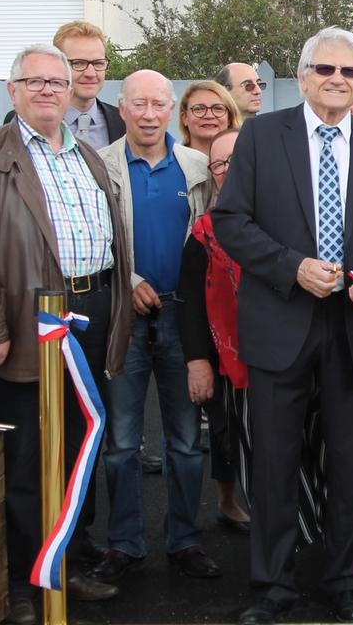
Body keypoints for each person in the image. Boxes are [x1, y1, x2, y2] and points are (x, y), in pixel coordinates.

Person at [213, 27, 353, 625]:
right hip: (280, 317)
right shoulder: (261, 136)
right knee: (274, 463)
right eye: (325, 69)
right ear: (302, 77)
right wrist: (291, 267)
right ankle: (272, 586)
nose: (337, 80)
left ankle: (345, 583)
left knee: (348, 463)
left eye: (350, 71)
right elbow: (231, 221)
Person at [0, 43, 133, 624]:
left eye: (58, 81)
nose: (49, 90)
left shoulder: (88, 156)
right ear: (13, 90)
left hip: (90, 314)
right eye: (36, 81)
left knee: (78, 446)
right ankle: (25, 583)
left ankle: (68, 561)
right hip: (26, 324)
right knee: (26, 455)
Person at [92, 71, 219, 583]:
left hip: (183, 317)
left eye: (158, 104)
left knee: (185, 440)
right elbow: (92, 239)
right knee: (122, 442)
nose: (148, 114)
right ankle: (125, 543)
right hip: (124, 316)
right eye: (138, 104)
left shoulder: (197, 168)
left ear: (172, 110)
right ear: (121, 108)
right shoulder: (98, 166)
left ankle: (185, 540)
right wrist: (129, 280)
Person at [179, 129, 253, 534]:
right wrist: (197, 362)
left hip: (279, 351)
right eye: (219, 164)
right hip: (222, 352)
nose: (228, 169)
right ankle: (228, 501)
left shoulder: (288, 221)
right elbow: (189, 303)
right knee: (225, 433)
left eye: (236, 159)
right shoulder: (202, 233)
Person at [3, 21, 125, 148]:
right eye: (78, 63)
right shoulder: (21, 120)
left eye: (98, 63)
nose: (90, 73)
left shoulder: (122, 121)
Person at [177, 80, 242, 157]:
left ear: (229, 118)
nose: (209, 116)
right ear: (185, 118)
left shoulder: (247, 159)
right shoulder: (171, 160)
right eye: (199, 109)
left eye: (218, 108)